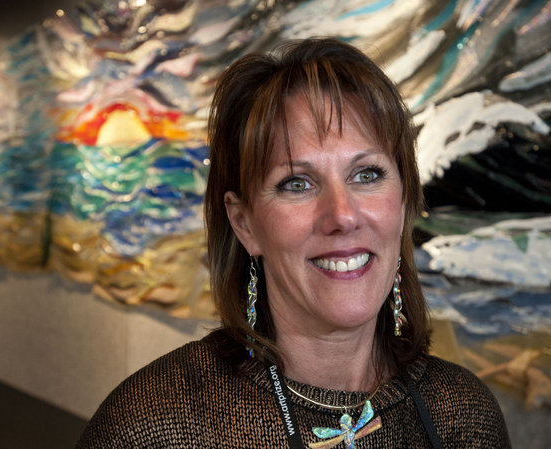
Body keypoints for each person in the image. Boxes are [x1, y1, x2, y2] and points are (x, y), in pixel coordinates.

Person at [76, 38, 511, 448]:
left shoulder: (465, 415)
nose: (342, 215)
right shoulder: (151, 425)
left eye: (367, 174)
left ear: (403, 203)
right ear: (244, 223)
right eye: (297, 183)